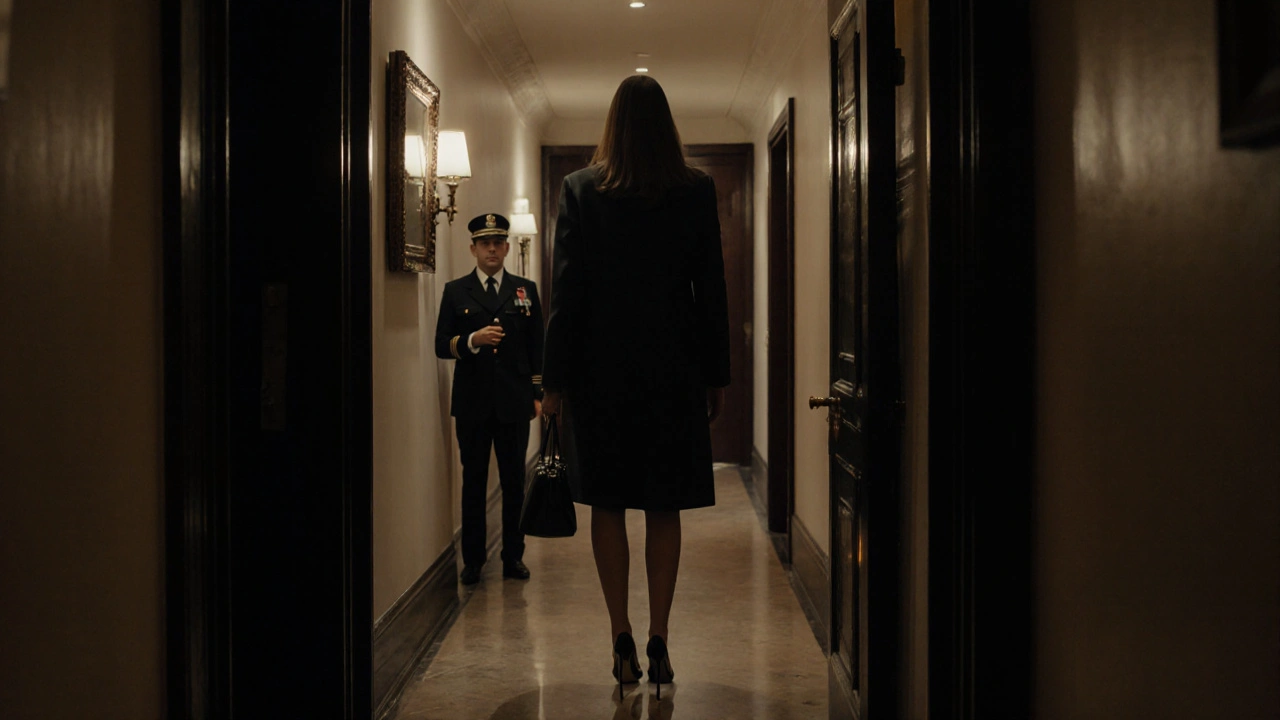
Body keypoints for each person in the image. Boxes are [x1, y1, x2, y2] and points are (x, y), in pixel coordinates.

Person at [540, 75, 730, 697]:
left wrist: (556, 381)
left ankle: (619, 633)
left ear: (612, 125)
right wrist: (714, 376)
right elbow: (711, 293)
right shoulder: (695, 190)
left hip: (601, 375)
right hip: (672, 373)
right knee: (664, 505)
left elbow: (566, 296)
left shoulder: (580, 191)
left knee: (609, 504)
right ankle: (660, 636)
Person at [435, 213, 544, 586]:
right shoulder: (455, 291)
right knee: (474, 482)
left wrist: (538, 394)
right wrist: (472, 341)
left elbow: (536, 346)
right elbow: (441, 345)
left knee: (515, 483)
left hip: (515, 403)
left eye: (498, 243)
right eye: (485, 244)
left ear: (508, 248)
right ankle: (474, 560)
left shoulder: (524, 290)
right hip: (473, 404)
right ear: (473, 249)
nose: (492, 249)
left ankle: (513, 556)